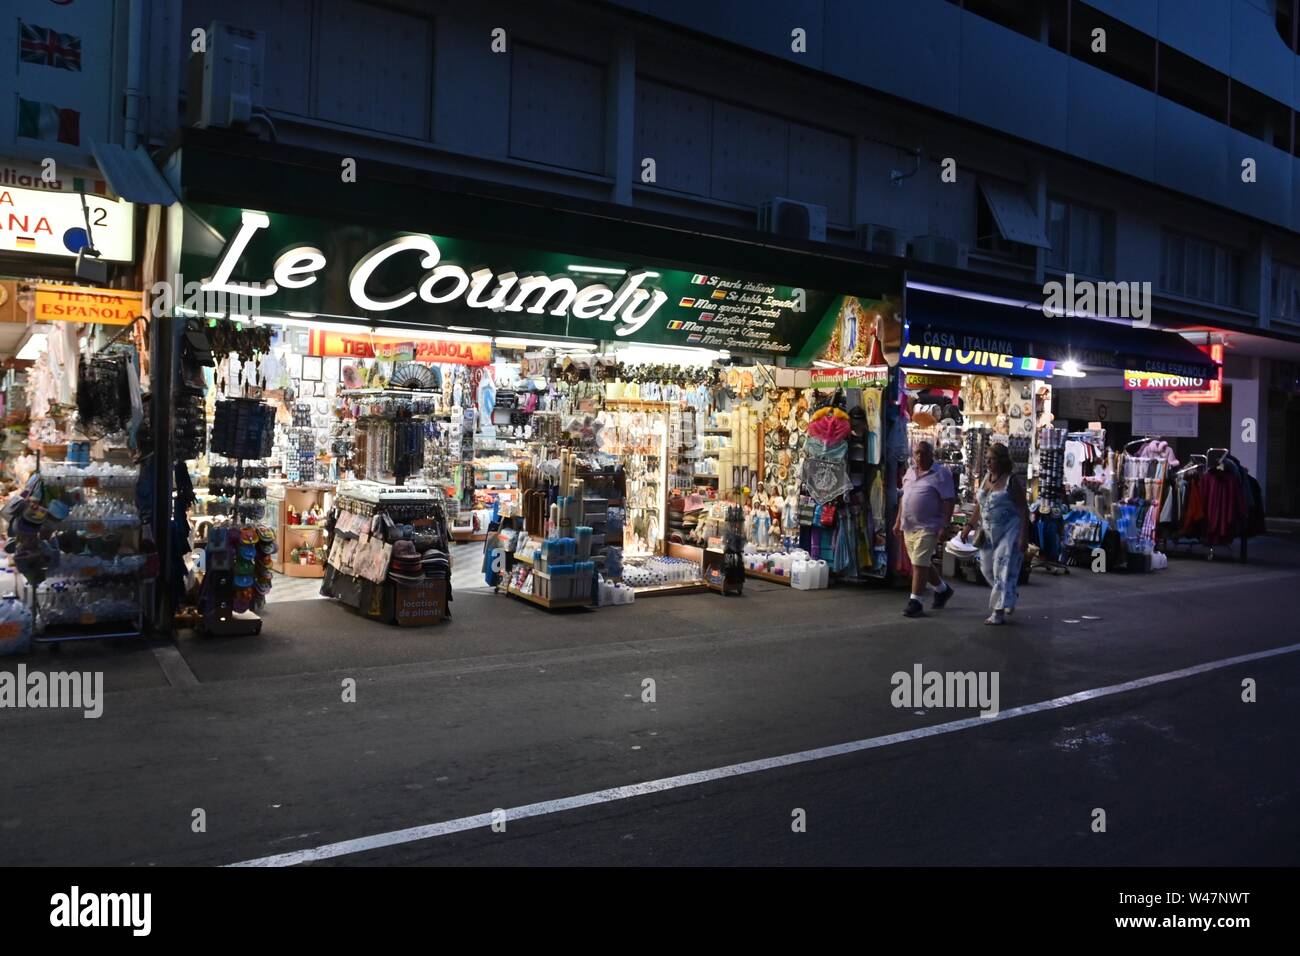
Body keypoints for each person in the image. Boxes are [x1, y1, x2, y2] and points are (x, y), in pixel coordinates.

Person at [962, 443, 1031, 625]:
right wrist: (969, 525)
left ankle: (997, 612)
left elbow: (1023, 509)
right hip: (988, 532)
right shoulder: (986, 478)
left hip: (1009, 531)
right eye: (986, 459)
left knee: (1001, 569)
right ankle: (1007, 594)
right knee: (986, 568)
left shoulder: (1011, 481)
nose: (988, 462)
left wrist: (1024, 536)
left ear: (1001, 460)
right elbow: (980, 504)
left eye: (991, 459)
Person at [894, 440, 956, 618]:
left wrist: (945, 524)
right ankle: (942, 590)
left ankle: (916, 602)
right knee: (920, 562)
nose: (919, 457)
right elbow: (904, 498)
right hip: (909, 525)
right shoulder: (910, 472)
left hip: (928, 526)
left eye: (923, 453)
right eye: (917, 453)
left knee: (919, 564)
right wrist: (898, 521)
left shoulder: (941, 473)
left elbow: (949, 500)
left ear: (931, 454)